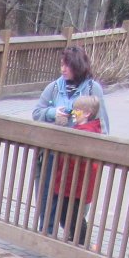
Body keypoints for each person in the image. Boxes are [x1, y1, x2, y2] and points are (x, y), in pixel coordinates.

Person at [31, 45, 109, 231]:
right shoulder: (55, 87)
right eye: (62, 65)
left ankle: (78, 241)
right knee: (47, 197)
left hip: (77, 158)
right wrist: (52, 113)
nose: (63, 69)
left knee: (72, 207)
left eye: (67, 65)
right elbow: (37, 112)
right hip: (52, 153)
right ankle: (46, 235)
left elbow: (102, 124)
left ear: (78, 66)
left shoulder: (92, 88)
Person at [44, 94, 103, 244]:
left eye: (77, 110)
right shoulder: (80, 128)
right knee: (65, 212)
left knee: (72, 213)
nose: (73, 113)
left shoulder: (88, 131)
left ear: (87, 113)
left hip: (77, 182)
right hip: (69, 180)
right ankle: (75, 237)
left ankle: (81, 240)